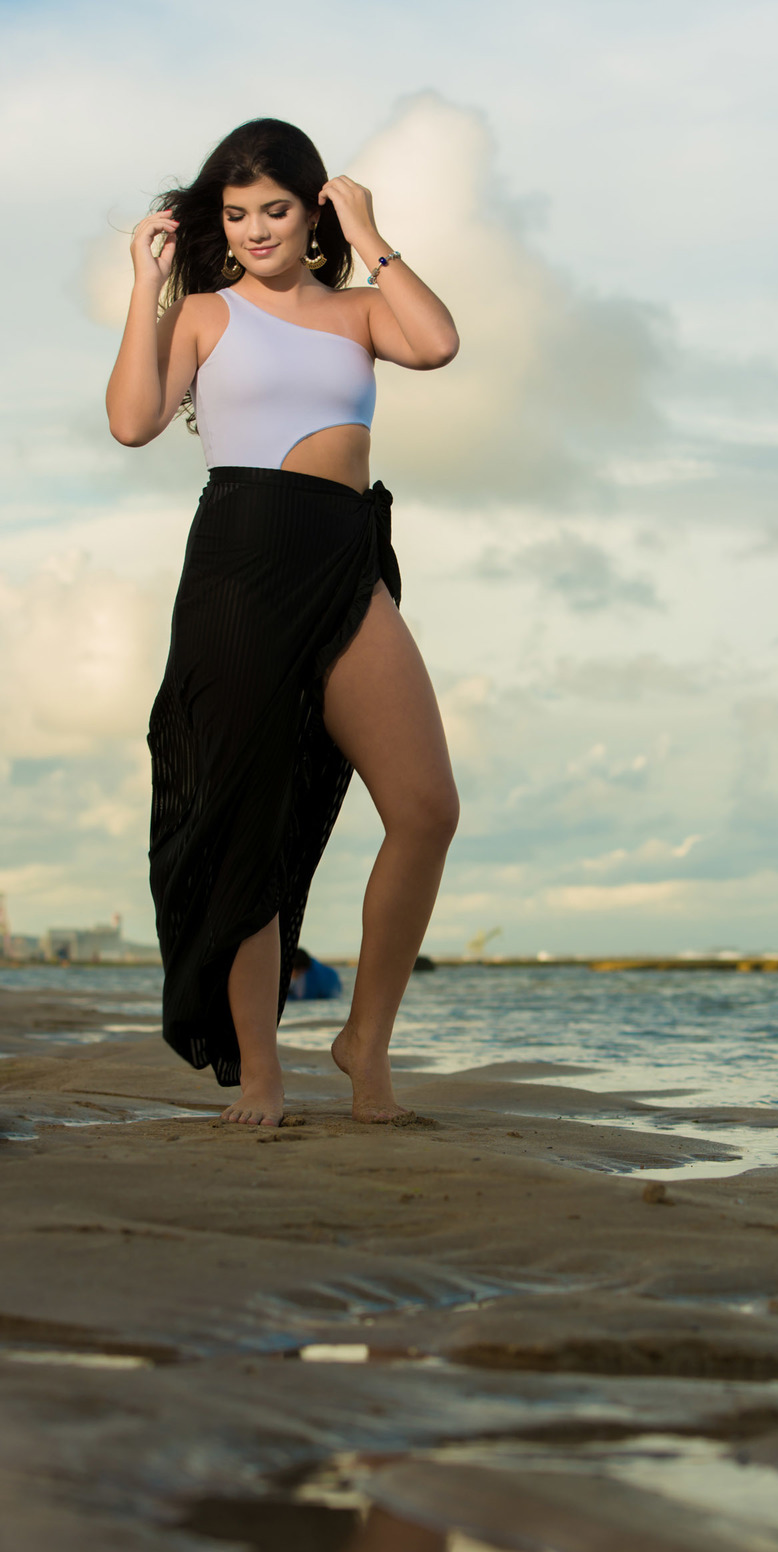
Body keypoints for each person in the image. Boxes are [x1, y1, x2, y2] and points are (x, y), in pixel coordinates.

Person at [106, 118, 460, 1127]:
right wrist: (149, 285)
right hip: (242, 564)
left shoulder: (357, 311)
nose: (256, 230)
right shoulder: (208, 316)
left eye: (276, 210)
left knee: (427, 807)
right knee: (248, 822)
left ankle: (365, 1043)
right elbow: (133, 420)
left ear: (312, 213)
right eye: (236, 214)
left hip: (344, 556)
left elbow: (436, 342)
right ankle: (262, 1074)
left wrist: (372, 230)